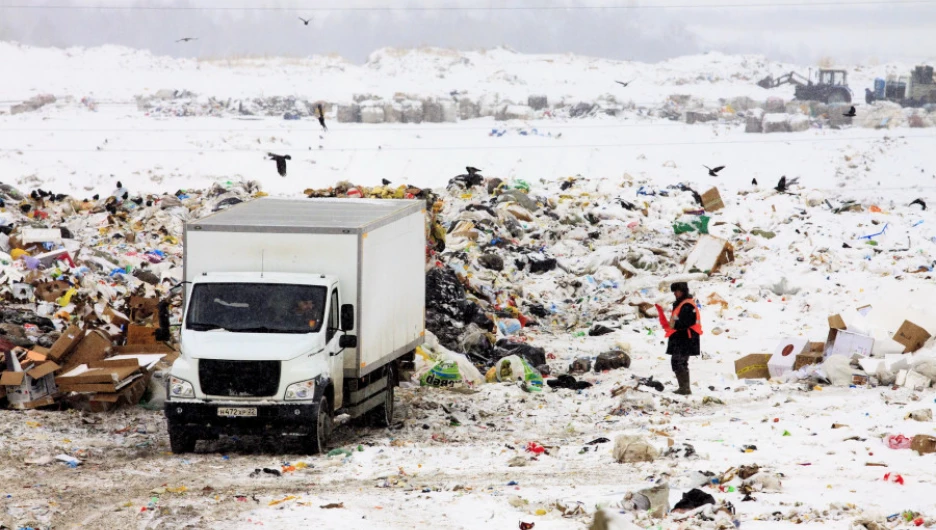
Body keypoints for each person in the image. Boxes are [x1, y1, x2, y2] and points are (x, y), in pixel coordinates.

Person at [666, 281, 702, 395]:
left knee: (679, 362)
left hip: (686, 338)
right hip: (681, 337)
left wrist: (674, 325)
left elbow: (686, 322)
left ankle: (685, 388)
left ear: (682, 291)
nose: (675, 294)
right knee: (679, 362)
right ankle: (684, 387)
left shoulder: (687, 305)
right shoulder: (680, 303)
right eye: (674, 292)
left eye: (677, 291)